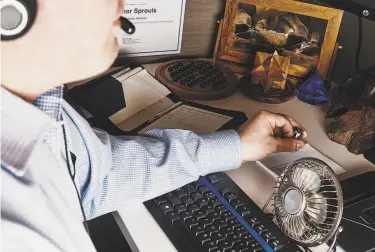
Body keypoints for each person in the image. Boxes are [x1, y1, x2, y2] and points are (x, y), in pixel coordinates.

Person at [1, 0, 307, 251]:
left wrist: (237, 146)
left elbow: (95, 176)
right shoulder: (13, 231)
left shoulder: (35, 105)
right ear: (12, 11)